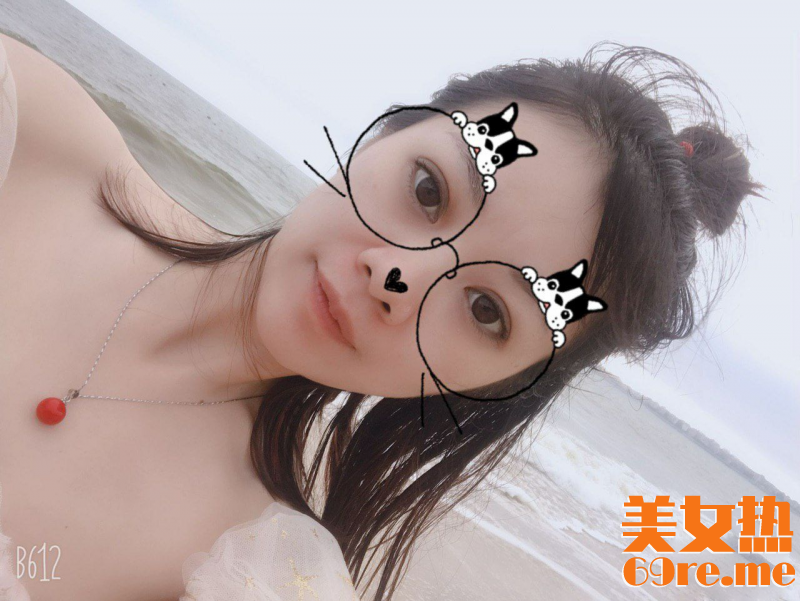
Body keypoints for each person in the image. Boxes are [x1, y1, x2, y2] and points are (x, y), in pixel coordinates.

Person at [0, 31, 765, 601]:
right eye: (429, 190)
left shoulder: (252, 574)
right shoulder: (31, 134)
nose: (401, 276)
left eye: (486, 310)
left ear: (500, 382)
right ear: (390, 131)